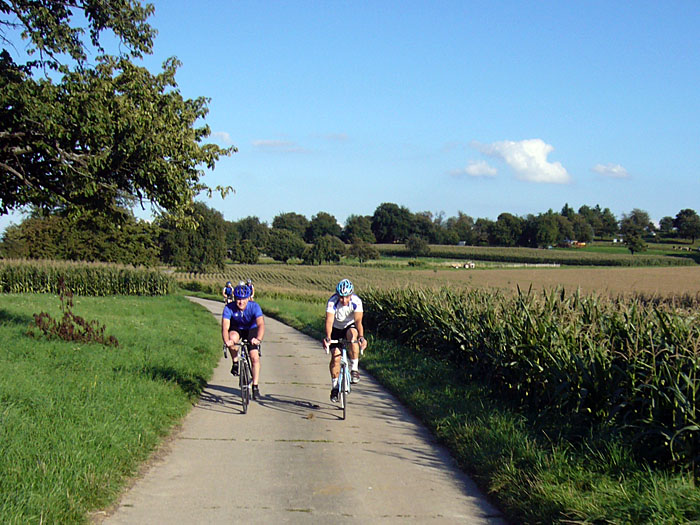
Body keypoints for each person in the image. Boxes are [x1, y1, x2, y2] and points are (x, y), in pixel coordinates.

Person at [323, 278, 368, 403]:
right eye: (341, 297)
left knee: (353, 336)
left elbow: (358, 321)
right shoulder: (332, 302)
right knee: (336, 357)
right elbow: (329, 321)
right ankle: (335, 387)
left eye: (346, 297)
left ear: (351, 295)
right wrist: (328, 337)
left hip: (349, 326)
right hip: (335, 328)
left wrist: (361, 337)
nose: (343, 300)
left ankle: (354, 369)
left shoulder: (356, 302)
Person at [222, 284, 265, 400]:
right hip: (237, 328)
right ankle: (235, 362)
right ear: (235, 298)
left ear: (248, 298)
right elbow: (225, 327)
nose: (241, 302)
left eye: (243, 299)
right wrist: (227, 341)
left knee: (254, 357)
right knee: (232, 339)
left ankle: (255, 386)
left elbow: (261, 324)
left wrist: (258, 339)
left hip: (251, 329)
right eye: (238, 299)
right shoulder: (229, 308)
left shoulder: (254, 307)